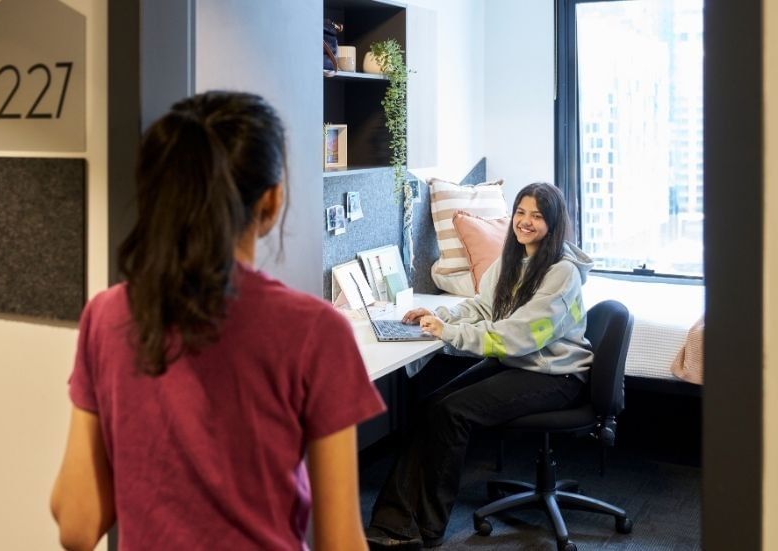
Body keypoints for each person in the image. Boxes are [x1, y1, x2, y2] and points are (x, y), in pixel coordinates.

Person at [50, 91, 384, 551]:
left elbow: (76, 525)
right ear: (271, 202)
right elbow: (341, 541)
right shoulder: (315, 331)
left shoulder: (107, 315)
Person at [365, 182, 595, 549]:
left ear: (553, 224)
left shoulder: (561, 274)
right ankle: (395, 521)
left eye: (537, 216)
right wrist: (441, 315)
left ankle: (428, 528)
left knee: (452, 412)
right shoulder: (512, 259)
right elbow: (482, 306)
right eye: (520, 212)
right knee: (431, 404)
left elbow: (519, 336)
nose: (525, 221)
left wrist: (450, 334)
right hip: (519, 362)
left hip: (555, 374)